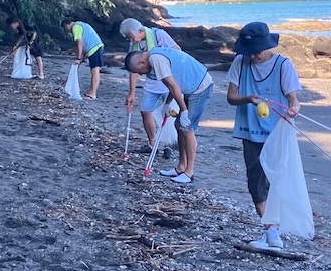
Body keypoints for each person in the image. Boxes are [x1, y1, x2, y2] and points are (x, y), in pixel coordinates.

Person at [226, 21, 301, 251]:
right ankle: (270, 230)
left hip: (277, 132)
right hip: (250, 131)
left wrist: (294, 108)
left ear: (267, 46)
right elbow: (231, 97)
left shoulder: (283, 65)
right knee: (255, 182)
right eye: (248, 52)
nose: (253, 56)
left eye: (256, 51)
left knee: (276, 180)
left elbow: (293, 98)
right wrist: (249, 99)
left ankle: (272, 230)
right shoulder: (240, 62)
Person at [125, 47, 213, 184]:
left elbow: (173, 86)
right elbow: (173, 82)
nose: (141, 75)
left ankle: (189, 173)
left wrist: (183, 110)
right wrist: (167, 104)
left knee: (187, 128)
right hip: (191, 88)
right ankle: (181, 167)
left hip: (200, 88)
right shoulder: (155, 56)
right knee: (179, 126)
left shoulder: (156, 59)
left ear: (142, 63)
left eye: (138, 72)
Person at [120, 17, 181, 157]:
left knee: (168, 114)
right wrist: (131, 92)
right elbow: (134, 69)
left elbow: (177, 50)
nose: (131, 40)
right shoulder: (135, 45)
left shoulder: (158, 35)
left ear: (140, 31)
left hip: (167, 81)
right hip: (152, 82)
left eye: (131, 37)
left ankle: (168, 145)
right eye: (128, 38)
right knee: (145, 111)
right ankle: (152, 143)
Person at [61, 17, 104, 99]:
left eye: (65, 29)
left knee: (95, 71)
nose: (67, 31)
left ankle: (93, 93)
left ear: (66, 26)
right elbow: (87, 38)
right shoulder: (80, 24)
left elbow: (80, 42)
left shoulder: (75, 28)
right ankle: (91, 91)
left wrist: (78, 58)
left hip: (95, 48)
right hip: (97, 46)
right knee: (95, 71)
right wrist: (83, 57)